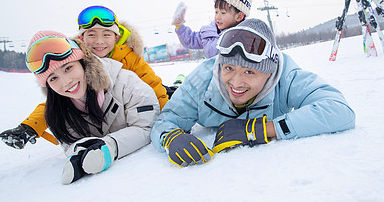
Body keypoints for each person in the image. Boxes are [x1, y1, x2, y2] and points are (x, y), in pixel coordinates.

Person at [151, 18, 356, 167]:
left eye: (249, 72)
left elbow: (339, 110)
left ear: (269, 72)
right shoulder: (201, 80)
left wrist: (263, 130)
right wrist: (170, 138)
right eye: (229, 68)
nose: (236, 83)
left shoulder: (285, 76)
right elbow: (166, 121)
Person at [0, 5, 171, 149]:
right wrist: (30, 126)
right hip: (109, 122)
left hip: (137, 107)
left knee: (167, 92)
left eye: (106, 34)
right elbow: (58, 101)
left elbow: (151, 84)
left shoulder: (129, 58)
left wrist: (167, 118)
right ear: (82, 37)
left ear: (117, 37)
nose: (99, 41)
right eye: (92, 35)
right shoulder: (74, 63)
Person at [10, 31, 159, 184]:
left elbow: (146, 126)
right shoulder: (59, 110)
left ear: (83, 62)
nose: (66, 82)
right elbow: (70, 143)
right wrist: (79, 152)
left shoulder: (126, 84)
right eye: (53, 78)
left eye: (68, 68)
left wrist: (110, 146)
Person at [172, 0, 255, 58]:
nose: (217, 17)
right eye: (216, 12)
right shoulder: (209, 32)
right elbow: (190, 40)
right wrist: (179, 25)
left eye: (223, 13)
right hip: (213, 70)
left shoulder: (244, 37)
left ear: (239, 16)